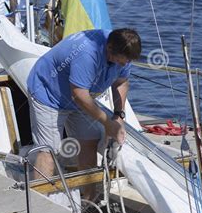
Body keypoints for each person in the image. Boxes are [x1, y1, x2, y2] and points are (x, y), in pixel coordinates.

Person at [27, 28, 142, 199]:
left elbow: (121, 83)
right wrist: (108, 123)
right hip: (49, 95)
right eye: (121, 61)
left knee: (89, 142)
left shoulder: (125, 51)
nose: (125, 65)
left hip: (82, 97)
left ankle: (89, 200)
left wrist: (119, 115)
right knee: (48, 151)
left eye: (128, 61)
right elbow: (79, 95)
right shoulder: (87, 54)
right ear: (110, 49)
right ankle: (39, 203)